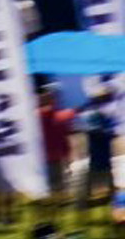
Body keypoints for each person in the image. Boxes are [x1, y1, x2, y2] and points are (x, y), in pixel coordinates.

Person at [81, 87, 118, 217]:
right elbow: (95, 132)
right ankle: (86, 203)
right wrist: (109, 134)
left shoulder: (99, 114)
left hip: (101, 152)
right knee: (97, 175)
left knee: (104, 175)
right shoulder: (94, 114)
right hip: (98, 152)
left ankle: (112, 201)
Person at [39, 85, 76, 214]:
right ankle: (61, 204)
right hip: (58, 155)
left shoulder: (36, 116)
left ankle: (52, 204)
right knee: (60, 182)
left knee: (50, 183)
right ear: (53, 100)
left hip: (43, 157)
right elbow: (65, 134)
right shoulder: (58, 115)